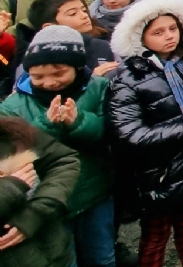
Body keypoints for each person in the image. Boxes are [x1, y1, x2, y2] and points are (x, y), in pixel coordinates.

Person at [107, 0, 183, 267]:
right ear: (140, 36)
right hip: (156, 172)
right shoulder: (128, 79)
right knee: (155, 235)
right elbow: (130, 134)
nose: (169, 36)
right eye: (158, 32)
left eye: (173, 29)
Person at [0, 26, 112, 267]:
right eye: (37, 76)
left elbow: (110, 133)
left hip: (96, 190)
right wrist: (46, 126)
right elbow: (20, 156)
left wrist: (79, 121)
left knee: (102, 255)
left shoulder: (99, 87)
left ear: (78, 67)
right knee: (64, 254)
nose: (48, 83)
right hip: (50, 200)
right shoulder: (13, 105)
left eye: (58, 73)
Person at [0, 115, 80, 267]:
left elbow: (63, 160)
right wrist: (11, 186)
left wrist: (36, 212)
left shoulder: (9, 130)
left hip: (53, 253)